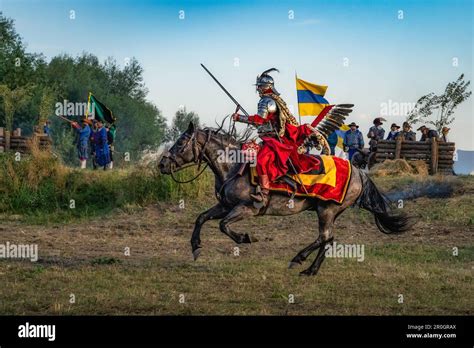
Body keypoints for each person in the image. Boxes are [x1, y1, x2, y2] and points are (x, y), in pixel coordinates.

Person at [232, 68, 323, 206]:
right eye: (258, 86)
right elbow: (266, 122)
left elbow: (259, 120)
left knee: (262, 160)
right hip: (269, 137)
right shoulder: (272, 100)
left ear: (267, 87)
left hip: (274, 140)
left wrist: (239, 117)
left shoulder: (266, 101)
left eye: (260, 86)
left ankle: (264, 193)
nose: (258, 89)